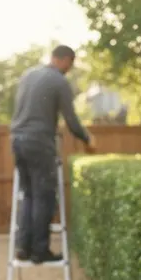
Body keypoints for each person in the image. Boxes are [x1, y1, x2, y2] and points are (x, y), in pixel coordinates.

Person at [9, 45, 95, 263]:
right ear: (64, 60)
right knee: (44, 196)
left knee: (28, 194)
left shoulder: (28, 75)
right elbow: (71, 120)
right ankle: (40, 251)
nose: (69, 69)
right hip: (39, 142)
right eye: (70, 64)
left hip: (17, 139)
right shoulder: (58, 81)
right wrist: (87, 139)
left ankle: (23, 247)